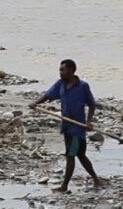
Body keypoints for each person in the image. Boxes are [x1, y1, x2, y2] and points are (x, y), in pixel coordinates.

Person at [29, 59, 103, 193]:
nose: (60, 72)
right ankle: (96, 180)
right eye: (60, 70)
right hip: (67, 126)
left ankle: (64, 187)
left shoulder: (82, 86)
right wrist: (35, 103)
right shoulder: (60, 84)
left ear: (71, 70)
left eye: (63, 70)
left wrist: (88, 121)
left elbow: (91, 104)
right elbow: (47, 96)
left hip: (77, 128)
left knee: (71, 155)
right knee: (80, 155)